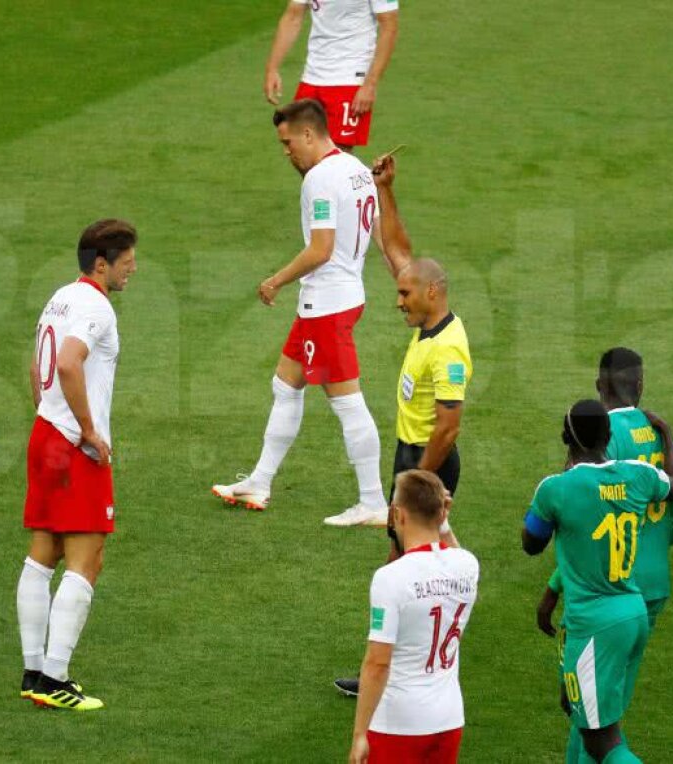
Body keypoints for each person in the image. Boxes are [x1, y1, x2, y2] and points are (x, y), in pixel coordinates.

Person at [212, 100, 387, 526]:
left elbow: (320, 249)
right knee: (285, 385)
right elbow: (376, 232)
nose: (286, 151)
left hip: (326, 304)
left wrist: (275, 280)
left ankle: (374, 502)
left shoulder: (320, 179)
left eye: (288, 142)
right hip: (341, 297)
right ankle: (260, 480)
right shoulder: (356, 168)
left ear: (309, 134)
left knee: (347, 402)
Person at [334, 156, 471, 697]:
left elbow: (450, 428)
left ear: (432, 293)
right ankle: (423, 647)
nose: (397, 301)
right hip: (411, 456)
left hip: (427, 460)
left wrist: (417, 482)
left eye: (404, 295)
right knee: (411, 557)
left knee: (400, 563)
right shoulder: (428, 317)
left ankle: (393, 664)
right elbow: (397, 253)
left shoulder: (449, 349)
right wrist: (385, 191)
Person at [535, 348, 673, 760]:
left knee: (589, 713)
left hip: (601, 590)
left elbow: (584, 519)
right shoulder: (654, 431)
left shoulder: (604, 438)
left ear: (599, 384)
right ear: (640, 384)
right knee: (599, 704)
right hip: (650, 588)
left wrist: (554, 587)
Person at [16, 220, 138, 712]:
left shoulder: (60, 296)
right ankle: (54, 679)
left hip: (45, 433)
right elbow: (68, 363)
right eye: (128, 261)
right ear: (102, 263)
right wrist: (87, 429)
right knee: (87, 559)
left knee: (43, 552)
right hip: (72, 444)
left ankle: (32, 670)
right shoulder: (95, 305)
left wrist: (49, 416)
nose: (134, 268)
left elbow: (36, 367)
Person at [348, 470, 478, 764]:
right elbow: (454, 555)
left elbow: (377, 664)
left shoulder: (390, 578)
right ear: (441, 512)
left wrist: (359, 734)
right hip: (448, 718)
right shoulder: (467, 564)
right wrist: (443, 522)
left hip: (398, 722)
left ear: (397, 514)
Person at [264, 0, 399, 149]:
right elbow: (293, 16)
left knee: (338, 155)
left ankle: (370, 173)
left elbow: (389, 26)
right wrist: (272, 68)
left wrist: (370, 84)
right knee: (299, 147)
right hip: (312, 75)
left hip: (350, 76)